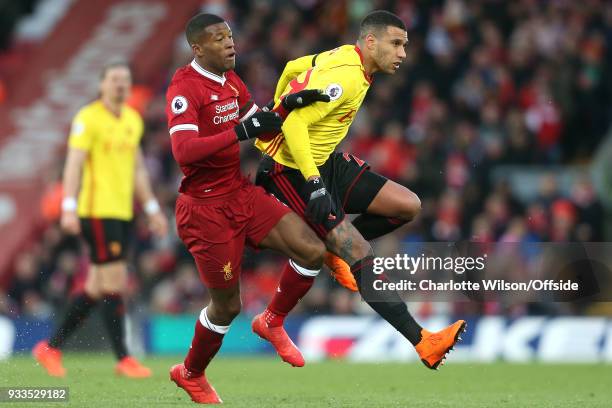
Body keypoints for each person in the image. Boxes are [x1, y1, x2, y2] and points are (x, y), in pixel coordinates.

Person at [254, 10, 466, 370]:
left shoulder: (344, 56)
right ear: (371, 42)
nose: (402, 53)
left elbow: (292, 66)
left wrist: (276, 106)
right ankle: (423, 342)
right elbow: (294, 126)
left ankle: (335, 253)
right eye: (396, 44)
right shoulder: (348, 79)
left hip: (327, 162)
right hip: (289, 170)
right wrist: (314, 182)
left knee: (407, 205)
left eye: (405, 45)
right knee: (360, 252)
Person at [166, 14, 332, 404]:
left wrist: (290, 106)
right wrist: (240, 132)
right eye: (219, 38)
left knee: (312, 250)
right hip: (205, 210)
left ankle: (272, 320)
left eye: (230, 36)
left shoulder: (232, 82)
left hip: (240, 193)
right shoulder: (184, 88)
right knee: (227, 306)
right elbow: (183, 152)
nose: (230, 43)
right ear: (198, 48)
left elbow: (263, 123)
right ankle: (190, 373)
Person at [32, 61, 169, 378]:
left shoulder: (133, 120)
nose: (121, 85)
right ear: (102, 85)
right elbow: (74, 165)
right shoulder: (88, 118)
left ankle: (50, 348)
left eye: (125, 80)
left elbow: (137, 169)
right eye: (114, 80)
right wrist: (68, 206)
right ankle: (124, 358)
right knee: (115, 282)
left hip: (123, 214)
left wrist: (150, 209)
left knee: (96, 285)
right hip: (96, 212)